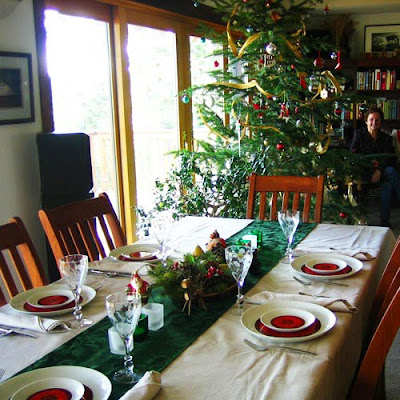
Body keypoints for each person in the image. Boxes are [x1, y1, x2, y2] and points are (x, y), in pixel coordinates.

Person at [350, 106, 400, 228]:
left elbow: (390, 157)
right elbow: (353, 153)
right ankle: (384, 221)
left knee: (390, 174)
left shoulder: (386, 138)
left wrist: (378, 170)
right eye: (371, 119)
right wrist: (371, 163)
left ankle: (384, 222)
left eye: (377, 120)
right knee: (390, 175)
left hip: (381, 173)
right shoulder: (359, 135)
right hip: (364, 172)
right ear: (366, 121)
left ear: (381, 123)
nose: (374, 123)